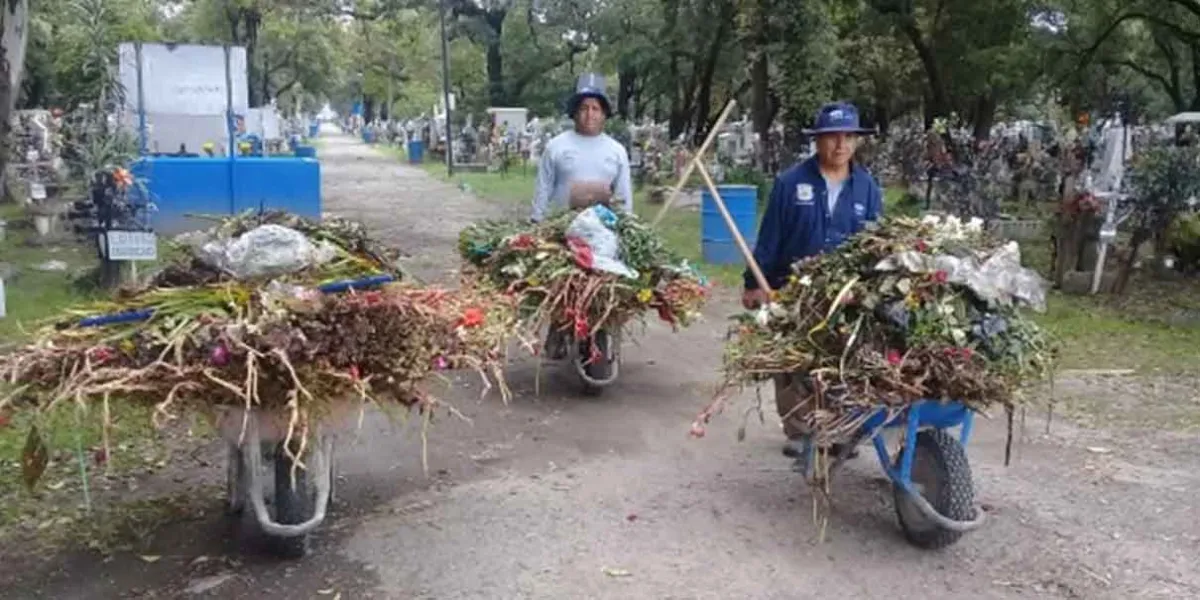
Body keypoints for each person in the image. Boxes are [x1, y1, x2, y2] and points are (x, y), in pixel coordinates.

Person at [742, 101, 884, 460]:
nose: (841, 145)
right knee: (793, 360)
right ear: (817, 141)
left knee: (840, 358)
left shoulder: (867, 188)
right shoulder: (791, 183)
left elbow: (875, 244)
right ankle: (799, 428)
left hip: (846, 293)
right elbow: (770, 237)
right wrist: (753, 283)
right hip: (792, 286)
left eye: (848, 137)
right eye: (832, 137)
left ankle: (838, 427)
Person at [530, 72, 633, 223]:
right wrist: (536, 219)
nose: (589, 114)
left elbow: (623, 196)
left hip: (602, 231)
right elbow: (543, 188)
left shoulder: (616, 151)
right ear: (575, 113)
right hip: (560, 229)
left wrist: (626, 225)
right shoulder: (556, 146)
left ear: (604, 114)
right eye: (584, 108)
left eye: (595, 108)